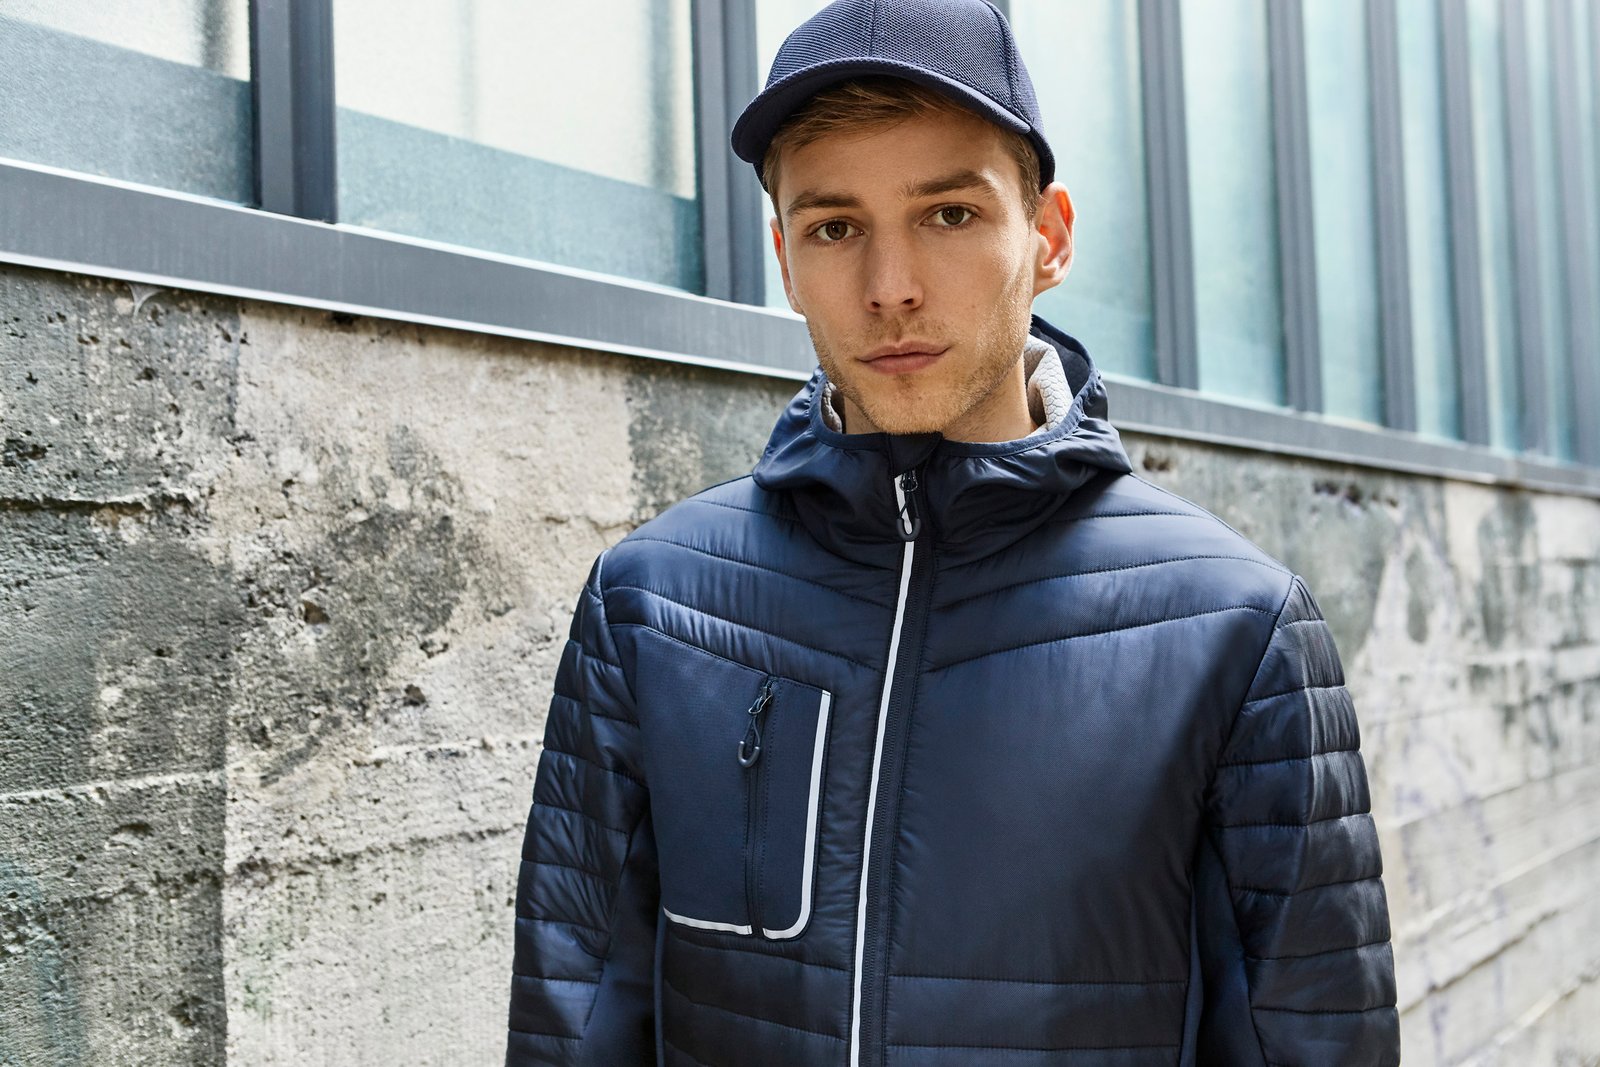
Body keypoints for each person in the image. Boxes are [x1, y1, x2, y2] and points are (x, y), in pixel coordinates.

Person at [504, 0, 1400, 1063]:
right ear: (786, 259)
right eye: (836, 228)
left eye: (949, 214)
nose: (890, 290)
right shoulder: (649, 603)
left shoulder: (1236, 628)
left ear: (1048, 236)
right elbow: (575, 1021)